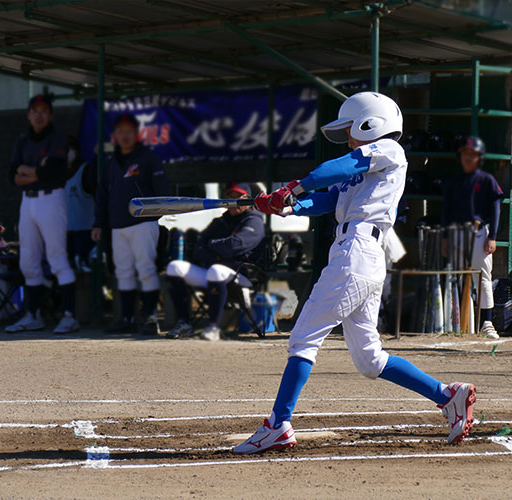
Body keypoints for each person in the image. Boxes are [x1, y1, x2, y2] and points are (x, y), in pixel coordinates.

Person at [235, 92, 476, 455]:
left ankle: (278, 424)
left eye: (351, 129)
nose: (348, 137)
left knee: (303, 337)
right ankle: (446, 395)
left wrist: (293, 187)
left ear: (370, 123)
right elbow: (328, 198)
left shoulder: (388, 151)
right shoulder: (365, 168)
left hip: (357, 252)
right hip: (358, 254)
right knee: (370, 359)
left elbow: (340, 167)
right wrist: (288, 206)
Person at [92, 113, 172, 335]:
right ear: (114, 135)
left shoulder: (148, 158)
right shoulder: (111, 163)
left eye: (129, 131)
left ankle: (150, 317)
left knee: (146, 269)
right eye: (120, 131)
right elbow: (102, 195)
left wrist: (154, 216)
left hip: (143, 224)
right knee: (123, 271)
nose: (124, 135)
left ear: (137, 134)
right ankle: (126, 318)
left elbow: (163, 191)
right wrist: (98, 223)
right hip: (118, 226)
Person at [5, 94, 79, 334]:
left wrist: (28, 172)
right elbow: (12, 175)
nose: (39, 115)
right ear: (28, 115)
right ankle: (33, 315)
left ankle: (70, 316)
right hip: (28, 201)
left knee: (57, 257)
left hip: (51, 199)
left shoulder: (57, 137)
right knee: (28, 260)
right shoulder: (22, 140)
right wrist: (36, 171)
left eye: (44, 111)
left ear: (51, 115)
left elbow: (53, 171)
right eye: (35, 111)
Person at [165, 182, 265, 341]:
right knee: (174, 267)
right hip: (215, 270)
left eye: (237, 197)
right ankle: (184, 323)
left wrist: (212, 246)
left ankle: (214, 327)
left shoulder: (254, 220)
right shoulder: (221, 221)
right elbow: (198, 248)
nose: (233, 202)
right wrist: (218, 253)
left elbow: (235, 246)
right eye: (230, 197)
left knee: (216, 270)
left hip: (242, 275)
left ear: (247, 198)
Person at [442, 136, 503, 339]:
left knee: (482, 276)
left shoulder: (486, 179)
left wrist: (492, 236)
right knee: (457, 276)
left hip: (479, 232)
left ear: (479, 158)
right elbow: (446, 211)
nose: (468, 158)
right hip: (457, 232)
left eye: (473, 154)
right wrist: (445, 237)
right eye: (465, 154)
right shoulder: (454, 181)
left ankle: (487, 322)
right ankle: (460, 323)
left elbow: (496, 209)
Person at [65, 136, 96, 272]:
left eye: (70, 148)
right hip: (66, 233)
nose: (67, 153)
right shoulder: (57, 175)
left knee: (85, 269)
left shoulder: (86, 171)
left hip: (86, 233)